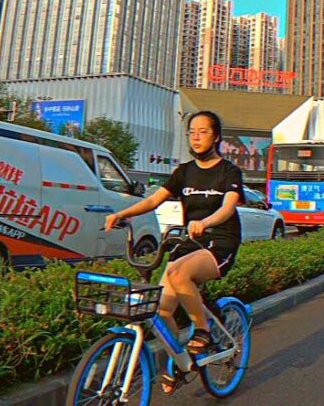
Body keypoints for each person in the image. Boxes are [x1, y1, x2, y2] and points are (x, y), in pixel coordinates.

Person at [104, 111, 244, 395]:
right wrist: (122, 214)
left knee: (178, 272)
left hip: (220, 241)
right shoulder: (184, 172)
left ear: (216, 137)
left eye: (203, 131)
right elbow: (153, 200)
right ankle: (182, 363)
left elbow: (228, 207)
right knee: (161, 309)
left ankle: (203, 331)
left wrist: (205, 222)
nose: (196, 137)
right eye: (192, 131)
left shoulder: (229, 172)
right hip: (190, 241)